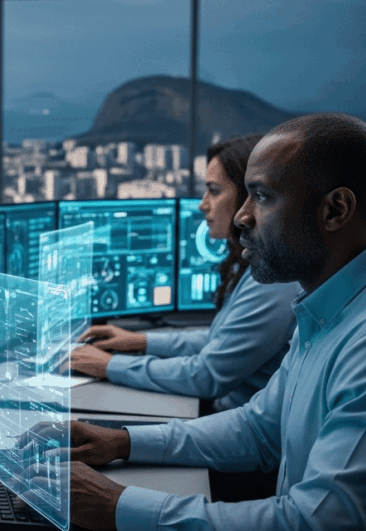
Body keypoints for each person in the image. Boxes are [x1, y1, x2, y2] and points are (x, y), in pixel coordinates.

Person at [34, 113, 366, 531]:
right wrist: (122, 441)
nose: (242, 216)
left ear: (335, 210)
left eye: (262, 196)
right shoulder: (334, 305)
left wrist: (118, 507)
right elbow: (260, 428)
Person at [71, 134, 301, 414]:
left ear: (248, 198)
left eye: (214, 191)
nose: (202, 204)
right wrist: (139, 341)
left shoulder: (273, 281)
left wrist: (108, 365)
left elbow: (207, 375)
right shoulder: (256, 266)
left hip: (229, 423)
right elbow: (220, 341)